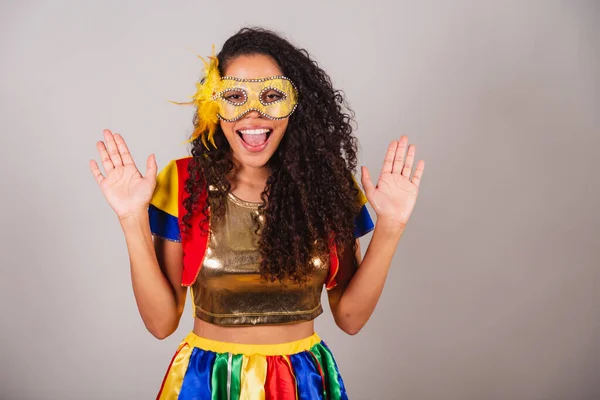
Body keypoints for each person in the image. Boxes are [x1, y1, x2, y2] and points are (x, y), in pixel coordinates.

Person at [90, 27, 425, 400]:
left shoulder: (328, 190)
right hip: (209, 382)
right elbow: (161, 323)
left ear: (296, 105)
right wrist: (130, 218)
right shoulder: (186, 184)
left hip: (303, 383)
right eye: (235, 96)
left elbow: (350, 318)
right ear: (214, 108)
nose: (254, 113)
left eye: (271, 96)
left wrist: (391, 226)